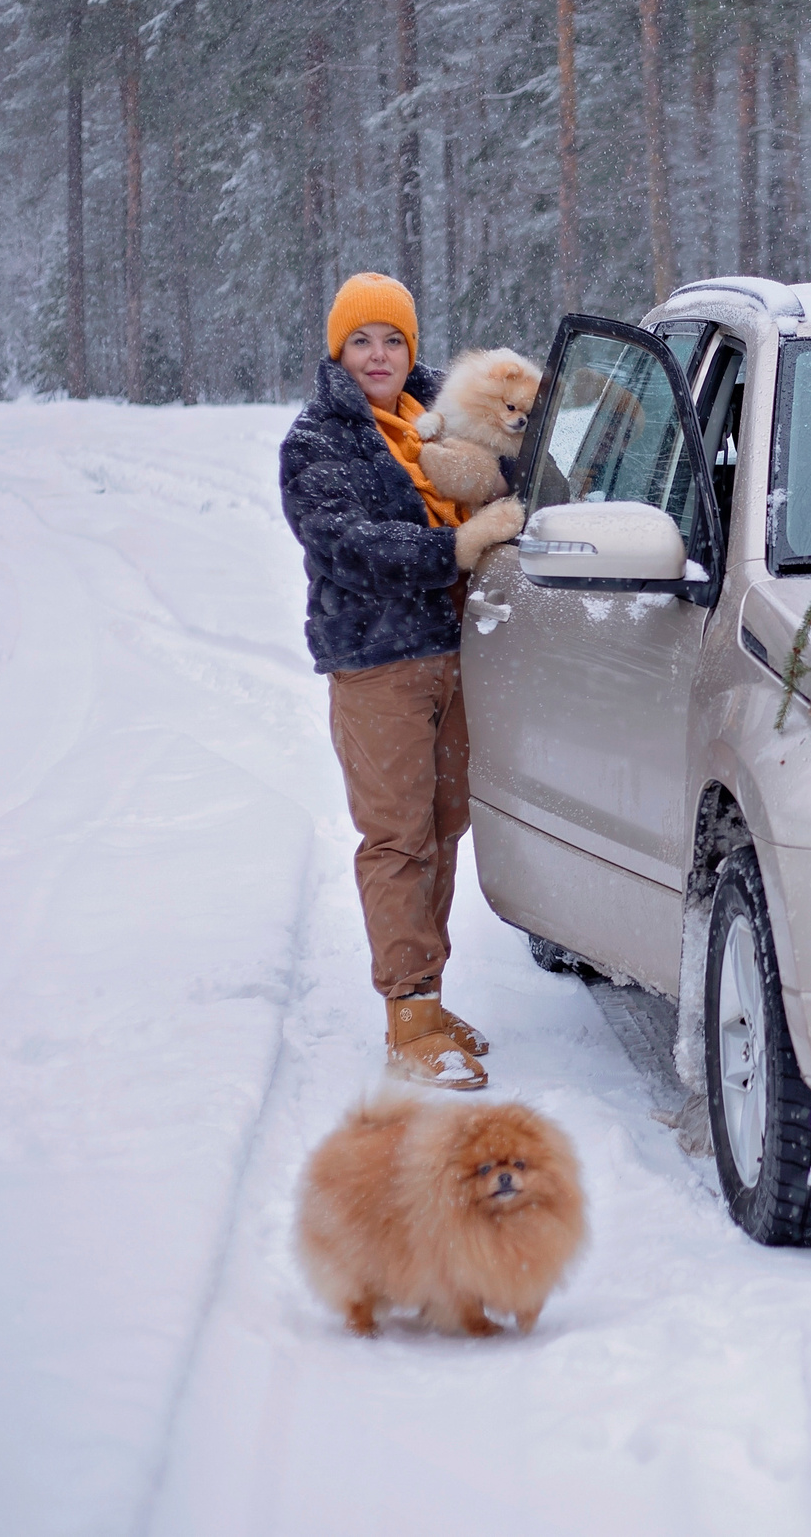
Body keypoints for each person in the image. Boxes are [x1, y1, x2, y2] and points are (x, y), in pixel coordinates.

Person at [280, 272, 506, 1089]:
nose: (379, 355)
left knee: (444, 827)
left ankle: (431, 996)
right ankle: (407, 1013)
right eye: (362, 340)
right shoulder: (318, 441)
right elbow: (347, 543)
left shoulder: (438, 423)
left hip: (453, 654)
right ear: (339, 350)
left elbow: (504, 480)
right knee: (397, 836)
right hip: (377, 664)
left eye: (395, 339)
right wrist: (454, 550)